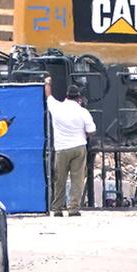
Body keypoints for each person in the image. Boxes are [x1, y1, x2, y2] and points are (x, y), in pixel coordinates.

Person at [48, 85, 96, 217]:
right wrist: (85, 135)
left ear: (66, 96)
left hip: (61, 149)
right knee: (77, 179)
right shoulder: (83, 112)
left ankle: (57, 208)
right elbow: (91, 130)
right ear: (78, 98)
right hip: (79, 147)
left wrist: (48, 83)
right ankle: (73, 208)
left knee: (60, 179)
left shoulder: (56, 107)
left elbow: (48, 97)